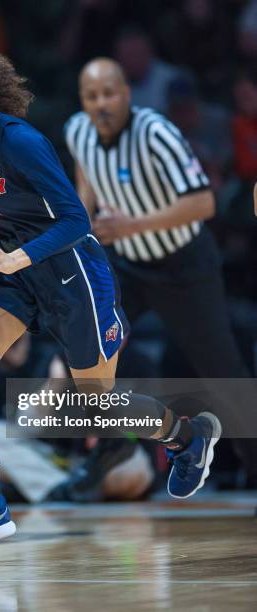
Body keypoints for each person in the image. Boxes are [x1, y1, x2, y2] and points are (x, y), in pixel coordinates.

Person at [0, 50, 221, 550]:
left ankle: (187, 438)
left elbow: (76, 221)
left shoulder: (21, 142)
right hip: (8, 271)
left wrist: (20, 257)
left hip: (69, 271)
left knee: (94, 406)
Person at [64, 57, 254, 488]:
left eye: (109, 94)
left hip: (183, 262)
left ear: (126, 95)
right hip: (127, 265)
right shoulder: (77, 130)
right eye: (92, 97)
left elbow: (204, 203)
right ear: (83, 101)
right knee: (78, 341)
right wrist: (85, 227)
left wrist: (130, 224)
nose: (101, 104)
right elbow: (86, 189)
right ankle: (115, 445)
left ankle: (249, 464)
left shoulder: (155, 132)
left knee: (223, 372)